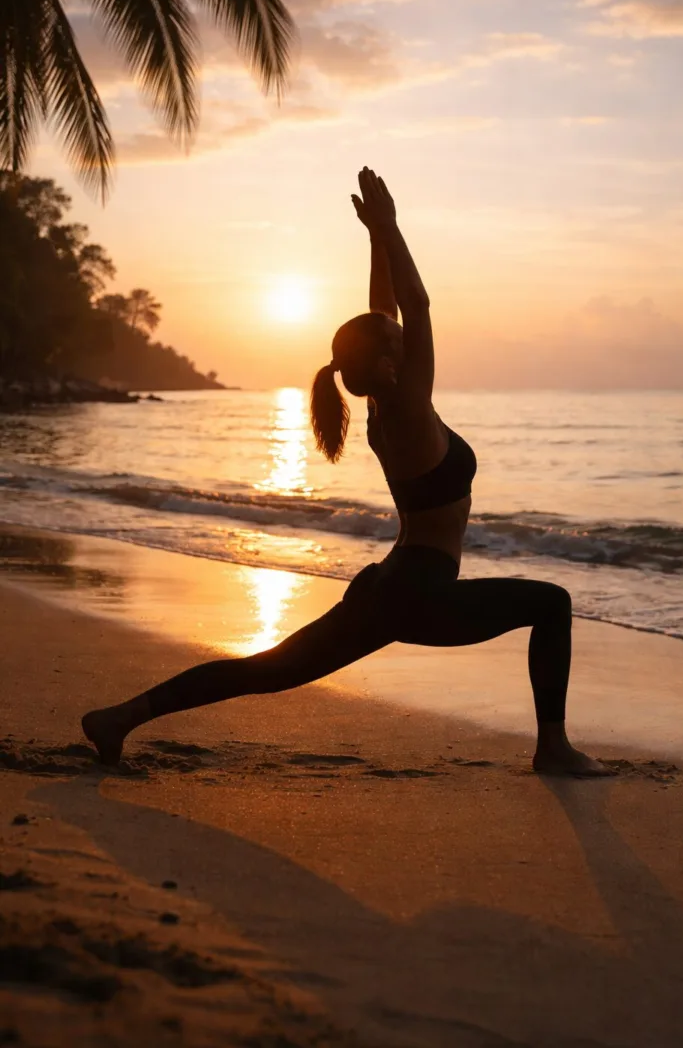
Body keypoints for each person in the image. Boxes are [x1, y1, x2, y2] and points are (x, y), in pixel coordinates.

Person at [82, 168, 608, 776]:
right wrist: (392, 226)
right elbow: (416, 303)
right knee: (551, 603)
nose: (406, 332)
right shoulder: (407, 408)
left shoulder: (386, 405)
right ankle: (553, 748)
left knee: (268, 670)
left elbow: (383, 309)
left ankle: (120, 717)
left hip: (395, 584)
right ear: (388, 361)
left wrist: (375, 241)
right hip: (419, 592)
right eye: (396, 337)